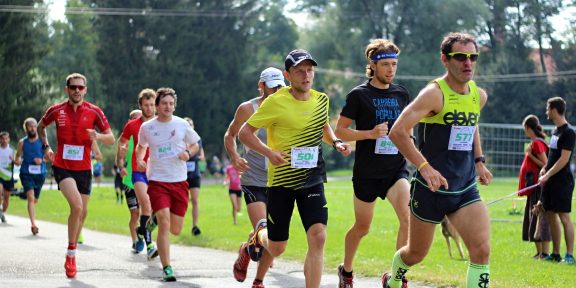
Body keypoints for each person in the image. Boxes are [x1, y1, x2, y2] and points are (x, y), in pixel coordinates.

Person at [384, 32, 492, 288]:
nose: (468, 63)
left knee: (482, 250)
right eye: (460, 57)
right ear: (445, 59)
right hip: (430, 189)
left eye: (472, 57)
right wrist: (425, 167)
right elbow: (397, 132)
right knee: (415, 254)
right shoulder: (434, 94)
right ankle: (394, 279)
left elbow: (472, 123)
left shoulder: (479, 95)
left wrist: (479, 160)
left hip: (465, 187)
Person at [239, 49, 351, 288]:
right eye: (300, 71)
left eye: (310, 70)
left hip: (312, 179)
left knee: (318, 236)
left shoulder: (321, 99)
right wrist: (269, 152)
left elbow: (323, 127)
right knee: (277, 247)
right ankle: (258, 237)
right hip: (281, 182)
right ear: (288, 75)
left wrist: (336, 141)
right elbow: (244, 133)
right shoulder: (275, 102)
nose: (306, 75)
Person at [334, 39, 411, 287]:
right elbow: (340, 130)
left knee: (407, 217)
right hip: (367, 172)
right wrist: (368, 134)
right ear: (373, 65)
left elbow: (406, 130)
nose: (391, 70)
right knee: (362, 227)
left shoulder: (401, 94)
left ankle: (397, 277)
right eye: (386, 64)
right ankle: (346, 270)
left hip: (395, 170)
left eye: (394, 64)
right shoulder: (358, 95)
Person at [37, 73, 115, 278]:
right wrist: (46, 148)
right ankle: (71, 253)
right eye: (73, 87)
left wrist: (97, 136)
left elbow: (111, 138)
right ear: (67, 89)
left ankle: (72, 244)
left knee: (82, 212)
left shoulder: (94, 112)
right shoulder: (56, 110)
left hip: (84, 169)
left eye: (81, 87)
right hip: (62, 166)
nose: (77, 91)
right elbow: (40, 126)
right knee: (77, 206)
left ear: (85, 90)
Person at [224, 67, 285, 287]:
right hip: (254, 178)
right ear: (261, 86)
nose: (277, 90)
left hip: (280, 180)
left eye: (280, 86)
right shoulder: (247, 108)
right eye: (272, 86)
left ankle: (256, 277)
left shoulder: (288, 106)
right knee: (263, 228)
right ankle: (250, 253)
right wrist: (234, 156)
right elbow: (230, 135)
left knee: (275, 236)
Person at [136, 87, 200, 282]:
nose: (168, 106)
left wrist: (188, 153)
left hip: (179, 181)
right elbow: (141, 146)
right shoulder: (147, 127)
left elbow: (196, 144)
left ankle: (153, 219)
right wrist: (140, 159)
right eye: (164, 103)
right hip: (157, 180)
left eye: (171, 103)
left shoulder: (182, 125)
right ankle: (167, 268)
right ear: (157, 105)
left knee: (176, 229)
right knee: (165, 222)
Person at [116, 89, 159, 259]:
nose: (149, 108)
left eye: (151, 105)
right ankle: (149, 245)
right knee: (145, 207)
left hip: (157, 172)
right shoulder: (132, 125)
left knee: (159, 211)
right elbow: (121, 143)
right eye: (145, 105)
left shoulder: (161, 123)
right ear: (140, 105)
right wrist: (121, 163)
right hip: (138, 173)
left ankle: (141, 231)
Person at [539, 96, 575, 264]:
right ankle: (555, 254)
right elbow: (553, 157)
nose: (546, 112)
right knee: (551, 215)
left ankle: (569, 255)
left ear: (554, 109)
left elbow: (563, 159)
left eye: (548, 108)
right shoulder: (555, 132)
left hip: (562, 182)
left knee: (564, 217)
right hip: (550, 180)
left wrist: (548, 174)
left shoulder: (569, 132)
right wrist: (544, 168)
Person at [519, 115, 550, 259]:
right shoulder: (535, 142)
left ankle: (543, 252)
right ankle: (539, 252)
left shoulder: (537, 143)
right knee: (534, 216)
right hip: (533, 187)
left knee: (538, 216)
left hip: (538, 186)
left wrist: (530, 156)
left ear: (527, 128)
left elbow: (545, 163)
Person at [14, 118, 48, 235]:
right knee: (30, 197)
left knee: (34, 200)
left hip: (40, 174)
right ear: (26, 129)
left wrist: (42, 159)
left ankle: (30, 202)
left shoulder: (43, 142)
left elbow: (49, 157)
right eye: (30, 126)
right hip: (26, 173)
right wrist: (17, 161)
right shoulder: (22, 142)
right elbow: (17, 157)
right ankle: (33, 224)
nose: (33, 128)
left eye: (34, 126)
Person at [117, 109, 142, 252]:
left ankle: (144, 234)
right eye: (134, 118)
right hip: (129, 181)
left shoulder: (147, 136)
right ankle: (135, 240)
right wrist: (121, 167)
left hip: (144, 180)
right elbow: (119, 156)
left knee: (146, 211)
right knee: (135, 213)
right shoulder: (125, 138)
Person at [183, 117, 205, 236]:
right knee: (181, 201)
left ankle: (195, 226)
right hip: (180, 175)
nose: (189, 126)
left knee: (195, 200)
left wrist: (197, 157)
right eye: (187, 124)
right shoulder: (179, 138)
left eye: (191, 124)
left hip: (194, 174)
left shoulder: (197, 139)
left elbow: (201, 154)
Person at [0, 131, 15, 223]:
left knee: (6, 198)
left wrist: (13, 160)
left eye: (6, 138)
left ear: (9, 139)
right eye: (3, 138)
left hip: (9, 176)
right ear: (0, 139)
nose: (5, 140)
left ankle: (2, 213)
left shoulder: (12, 150)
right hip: (0, 175)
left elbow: (17, 162)